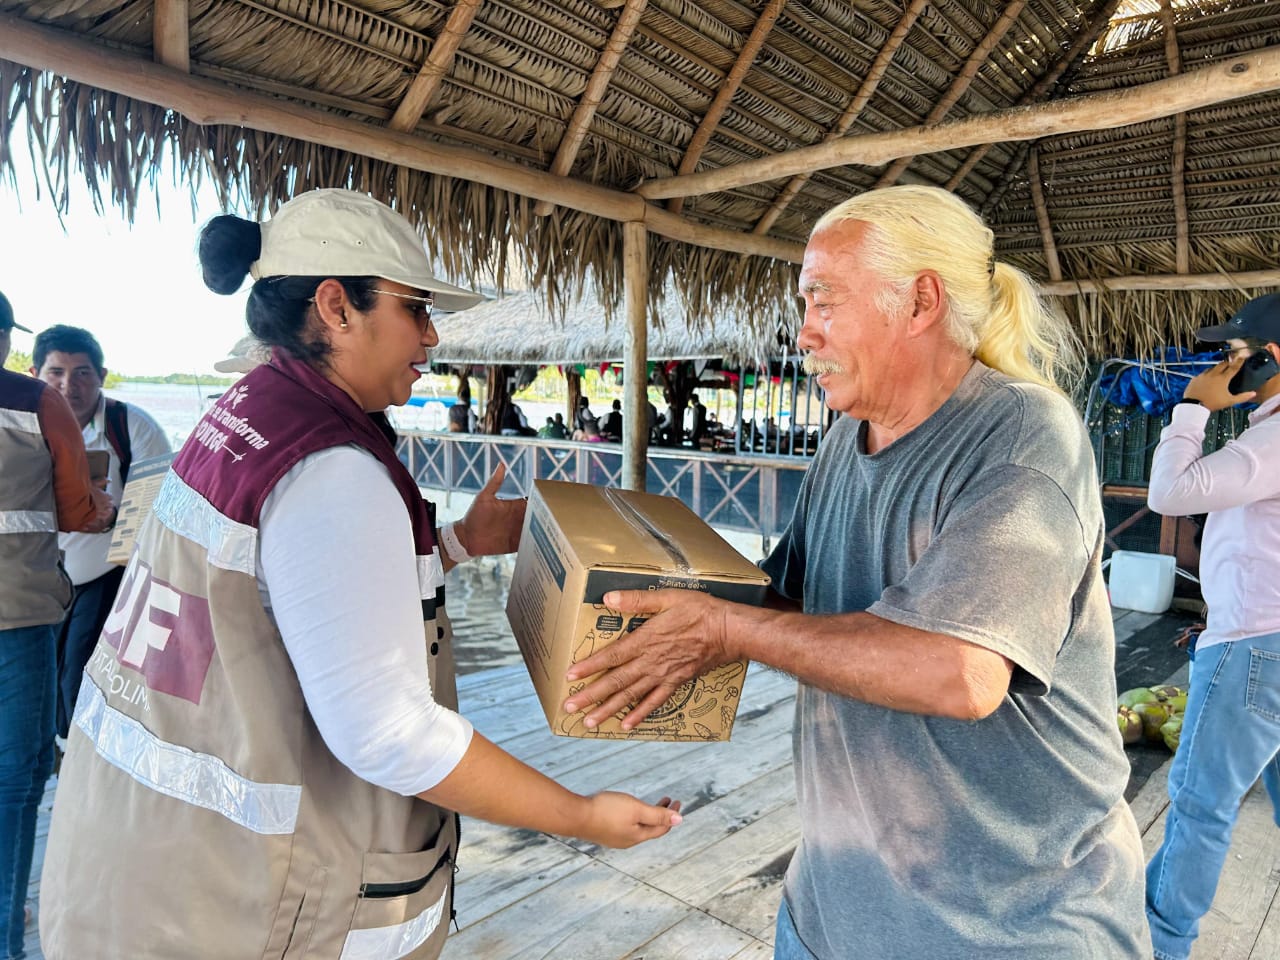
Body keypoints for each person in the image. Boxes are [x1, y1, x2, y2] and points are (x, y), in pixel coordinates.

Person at [39, 189, 681, 960]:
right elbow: (388, 733)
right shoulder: (332, 467)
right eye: (415, 308)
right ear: (337, 307)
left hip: (138, 865)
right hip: (241, 907)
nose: (432, 335)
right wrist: (579, 815)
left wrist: (459, 543)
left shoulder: (242, 415)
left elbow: (298, 595)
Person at [559, 185, 1150, 958]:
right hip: (830, 911)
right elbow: (784, 601)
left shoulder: (1022, 437)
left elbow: (961, 673)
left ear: (921, 302)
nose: (804, 330)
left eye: (825, 300)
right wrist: (643, 593)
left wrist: (727, 629)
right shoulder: (847, 435)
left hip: (1006, 928)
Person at [1143, 292, 1280, 960]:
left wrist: (1192, 410)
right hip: (1265, 637)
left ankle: (1158, 947)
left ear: (1269, 358)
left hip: (1254, 646)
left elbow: (1168, 493)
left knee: (1200, 808)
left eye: (1235, 353)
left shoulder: (1272, 441)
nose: (1225, 364)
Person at [1, 292, 113, 959]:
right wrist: (101, 505)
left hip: (25, 613)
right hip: (20, 615)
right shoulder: (35, 403)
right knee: (17, 778)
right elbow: (77, 513)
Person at [29, 325, 172, 741]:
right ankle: (57, 753)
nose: (68, 386)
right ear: (35, 374)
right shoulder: (21, 425)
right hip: (37, 573)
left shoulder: (133, 427)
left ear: (102, 376)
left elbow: (157, 511)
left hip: (106, 572)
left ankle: (81, 755)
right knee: (40, 678)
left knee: (81, 675)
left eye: (82, 373)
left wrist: (107, 518)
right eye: (56, 373)